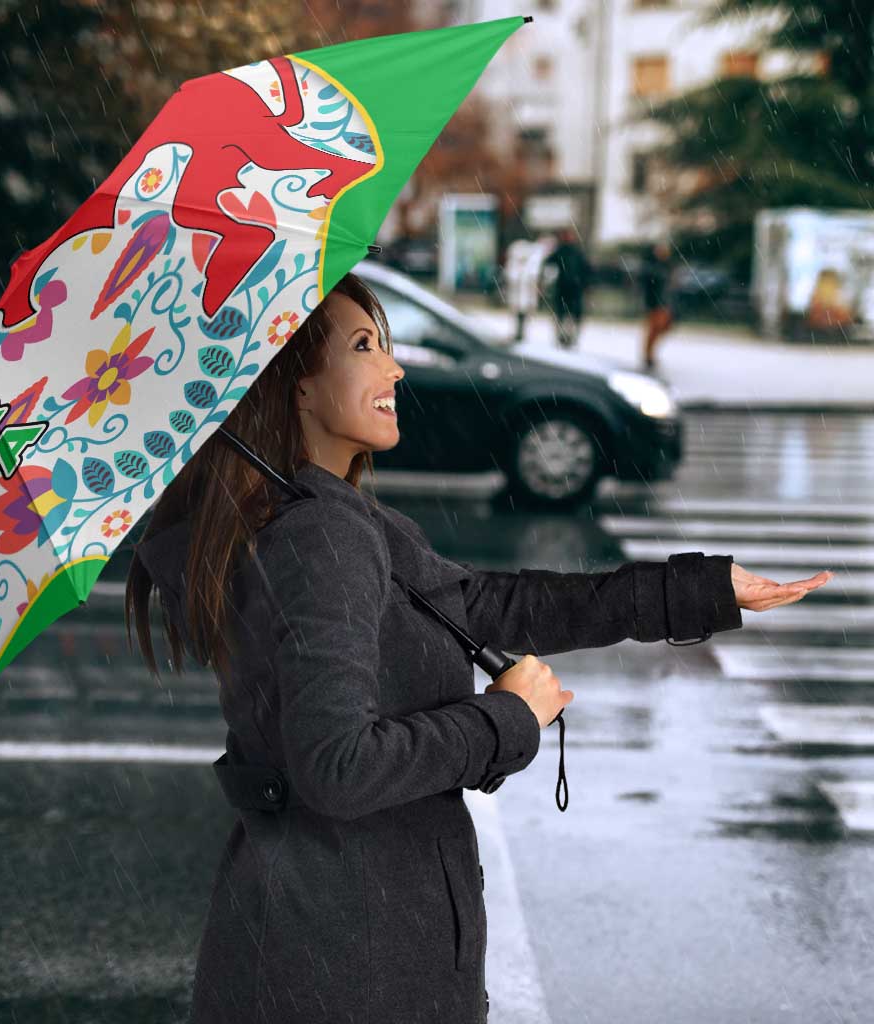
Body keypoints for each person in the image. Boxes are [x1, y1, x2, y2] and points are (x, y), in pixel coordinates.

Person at [127, 272, 832, 1024]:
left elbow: (492, 606)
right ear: (296, 387)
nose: (394, 368)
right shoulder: (320, 536)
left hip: (331, 940)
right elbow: (337, 767)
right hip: (348, 961)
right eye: (365, 346)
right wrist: (505, 719)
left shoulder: (329, 519)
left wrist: (698, 590)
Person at [542, 226, 592, 349]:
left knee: (570, 315)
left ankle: (569, 337)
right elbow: (548, 264)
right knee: (563, 314)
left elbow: (586, 270)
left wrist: (585, 284)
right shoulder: (562, 251)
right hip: (565, 288)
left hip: (573, 288)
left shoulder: (575, 252)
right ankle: (563, 337)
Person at [640, 239, 676, 370]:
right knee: (654, 329)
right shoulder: (652, 267)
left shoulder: (667, 266)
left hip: (664, 303)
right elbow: (649, 286)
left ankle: (649, 354)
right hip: (655, 303)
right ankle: (648, 355)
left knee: (662, 328)